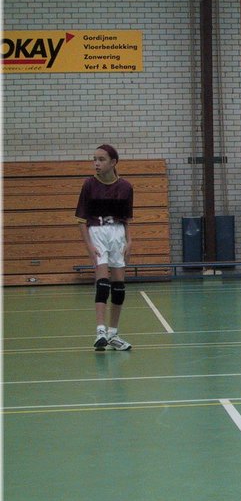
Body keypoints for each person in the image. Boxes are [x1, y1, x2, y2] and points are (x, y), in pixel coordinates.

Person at [75, 144, 133, 351]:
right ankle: (100, 331)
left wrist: (129, 241)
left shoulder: (125, 187)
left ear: (113, 162)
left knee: (119, 287)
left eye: (101, 159)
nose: (96, 163)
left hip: (117, 233)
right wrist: (89, 246)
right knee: (102, 283)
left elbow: (126, 219)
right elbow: (81, 220)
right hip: (97, 231)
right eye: (94, 159)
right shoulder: (89, 185)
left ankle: (113, 334)